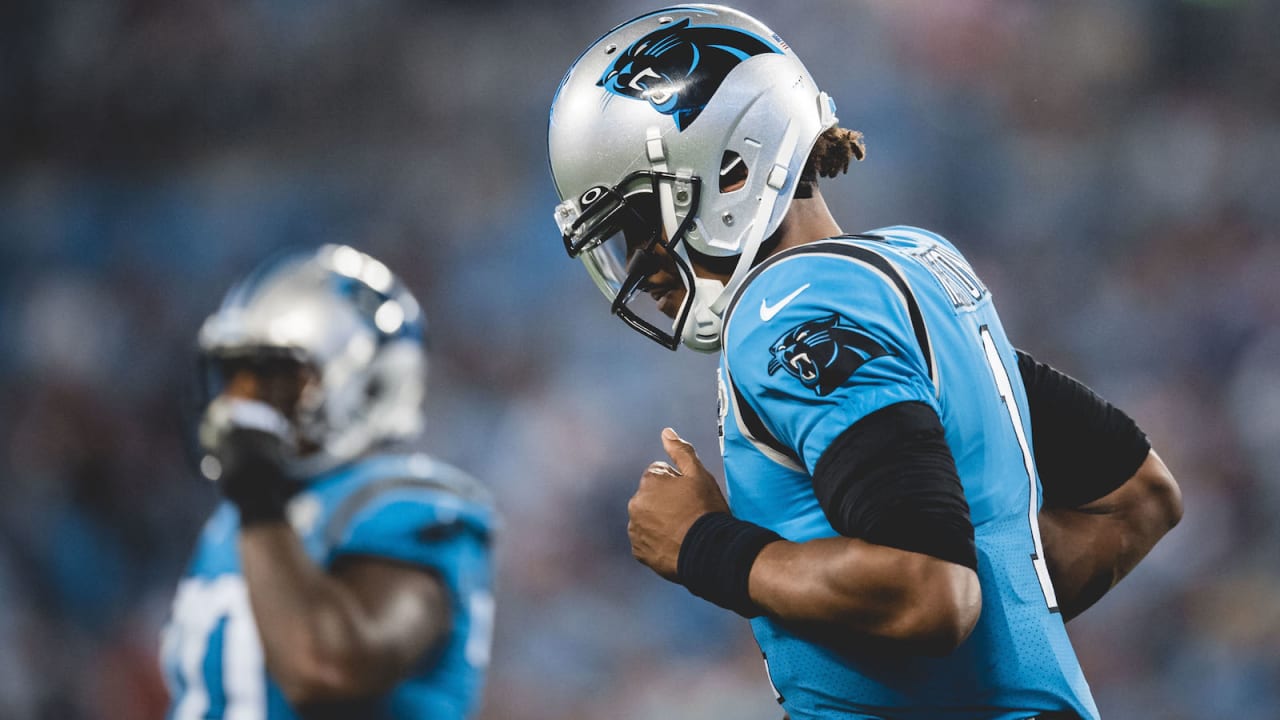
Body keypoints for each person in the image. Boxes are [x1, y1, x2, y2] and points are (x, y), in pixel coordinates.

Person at [548, 5, 1182, 719]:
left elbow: (932, 590)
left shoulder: (788, 308)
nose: (639, 264)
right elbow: (1138, 498)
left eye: (640, 221)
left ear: (730, 169)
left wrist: (704, 547)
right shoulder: (917, 264)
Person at [160, 245, 496, 719]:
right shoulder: (240, 517)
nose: (241, 400)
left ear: (367, 384)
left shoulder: (409, 506)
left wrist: (257, 493)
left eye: (274, 376)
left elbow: (327, 667)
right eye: (234, 374)